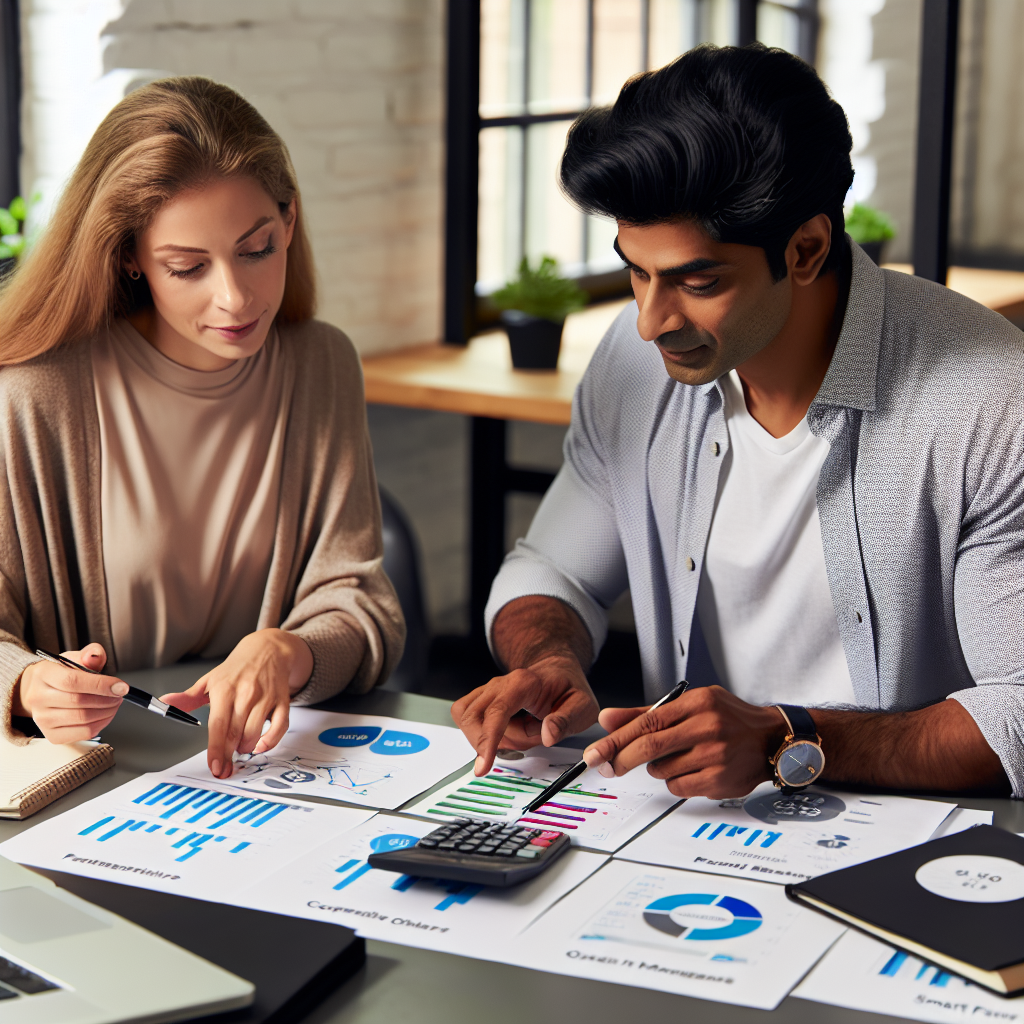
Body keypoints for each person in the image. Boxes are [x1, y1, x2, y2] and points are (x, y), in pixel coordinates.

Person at [452, 45, 1023, 799]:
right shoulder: (631, 360)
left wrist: (789, 739)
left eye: (697, 280)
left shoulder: (989, 399)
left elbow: (1017, 713)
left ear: (808, 249)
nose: (651, 320)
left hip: (914, 844)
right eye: (635, 270)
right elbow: (551, 571)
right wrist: (550, 658)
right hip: (686, 828)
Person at [0, 77, 405, 778]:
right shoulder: (37, 393)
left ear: (290, 218)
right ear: (129, 256)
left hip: (264, 770)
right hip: (89, 776)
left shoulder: (320, 363)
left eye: (257, 248)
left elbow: (361, 601)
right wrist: (26, 683)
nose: (236, 297)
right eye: (187, 267)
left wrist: (290, 650)